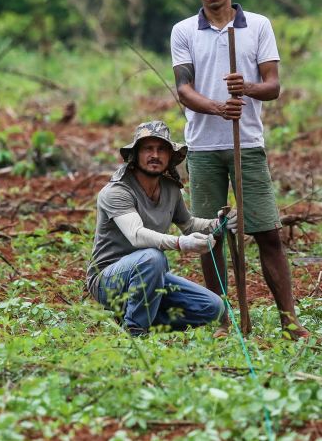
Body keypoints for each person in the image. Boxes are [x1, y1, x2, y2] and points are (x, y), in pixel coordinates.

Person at [170, 0, 310, 339]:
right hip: (201, 147)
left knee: (266, 231)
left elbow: (273, 86)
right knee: (210, 235)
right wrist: (217, 107)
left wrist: (245, 88)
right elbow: (183, 89)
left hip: (246, 143)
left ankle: (288, 319)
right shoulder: (183, 31)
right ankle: (220, 319)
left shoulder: (258, 26)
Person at [87, 120, 237, 335]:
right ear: (136, 154)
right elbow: (137, 236)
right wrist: (180, 243)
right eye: (148, 148)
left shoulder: (170, 189)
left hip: (152, 275)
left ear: (170, 156)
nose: (155, 155)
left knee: (212, 307)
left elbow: (189, 224)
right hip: (109, 279)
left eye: (161, 149)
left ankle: (134, 315)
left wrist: (219, 223)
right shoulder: (116, 192)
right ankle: (135, 329)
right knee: (152, 257)